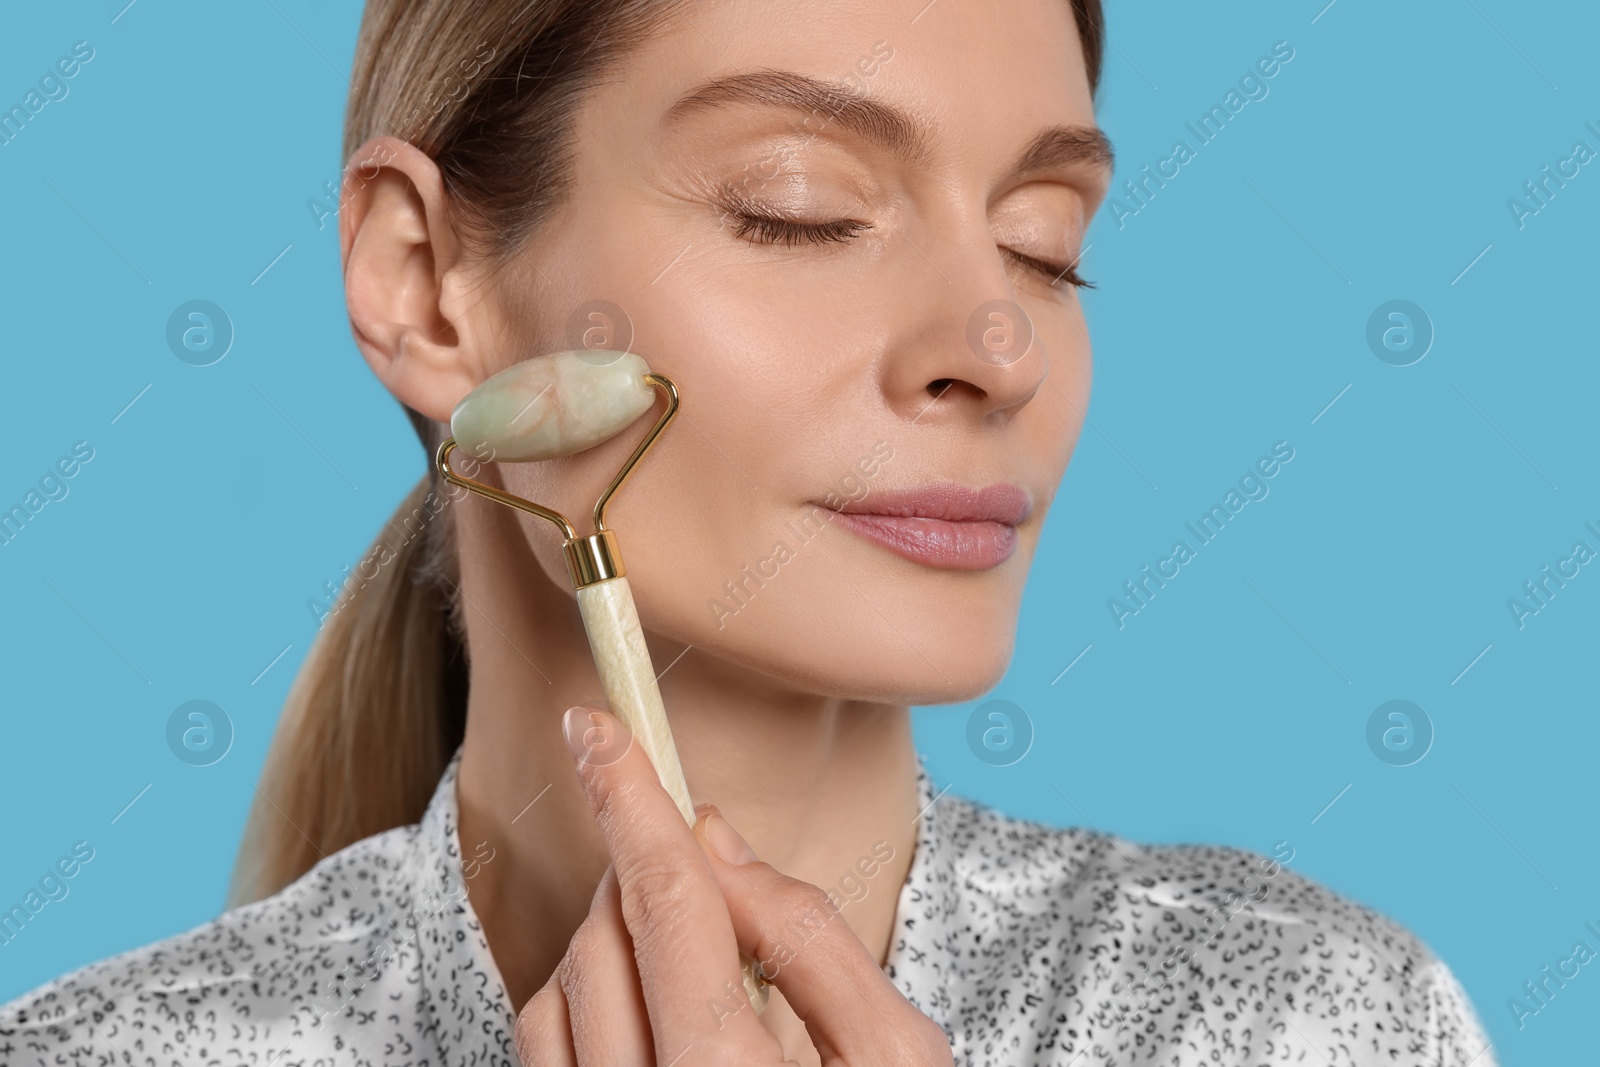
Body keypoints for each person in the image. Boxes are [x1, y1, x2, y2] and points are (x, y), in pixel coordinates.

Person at [0, 1, 1497, 1064]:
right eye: (802, 209)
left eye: (1045, 243)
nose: (999, 341)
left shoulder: (1308, 1021)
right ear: (428, 284)